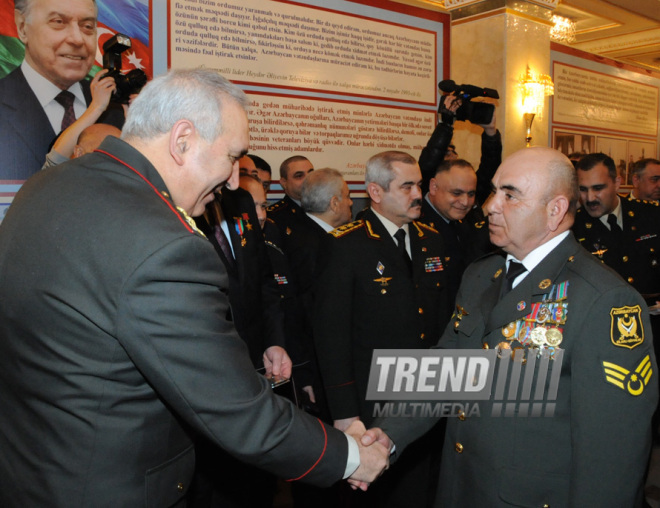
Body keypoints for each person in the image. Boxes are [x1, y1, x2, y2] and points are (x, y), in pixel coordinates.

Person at [0, 68, 390, 507]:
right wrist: (352, 457)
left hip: (30, 469)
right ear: (182, 140)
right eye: (232, 157)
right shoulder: (162, 243)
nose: (231, 180)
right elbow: (236, 410)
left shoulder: (47, 183)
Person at [371, 146, 657, 507]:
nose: (490, 204)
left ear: (554, 211)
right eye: (494, 191)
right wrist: (386, 436)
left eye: (510, 195)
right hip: (463, 487)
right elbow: (446, 368)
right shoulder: (480, 274)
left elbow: (612, 451)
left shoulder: (604, 300)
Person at [314, 151, 450, 507]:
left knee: (420, 488)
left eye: (418, 184)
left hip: (425, 391)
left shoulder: (431, 238)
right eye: (407, 186)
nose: (418, 193)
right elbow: (331, 334)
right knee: (375, 494)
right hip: (372, 398)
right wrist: (345, 414)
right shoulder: (346, 244)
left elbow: (441, 319)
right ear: (375, 192)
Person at [0, 0, 122, 180]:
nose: (77, 39)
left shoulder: (115, 112)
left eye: (87, 26)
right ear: (22, 27)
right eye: (58, 22)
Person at [421, 158, 492, 302]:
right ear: (434, 187)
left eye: (471, 194)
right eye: (456, 193)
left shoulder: (467, 221)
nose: (465, 202)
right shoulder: (415, 225)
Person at [418, 93, 501, 203]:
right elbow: (429, 162)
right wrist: (446, 125)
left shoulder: (470, 195)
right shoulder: (425, 192)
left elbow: (490, 168)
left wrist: (490, 131)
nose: (464, 201)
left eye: (454, 150)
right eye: (446, 152)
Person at [267, 155, 314, 240]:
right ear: (284, 183)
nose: (308, 179)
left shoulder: (328, 208)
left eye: (311, 174)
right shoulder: (273, 216)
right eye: (299, 176)